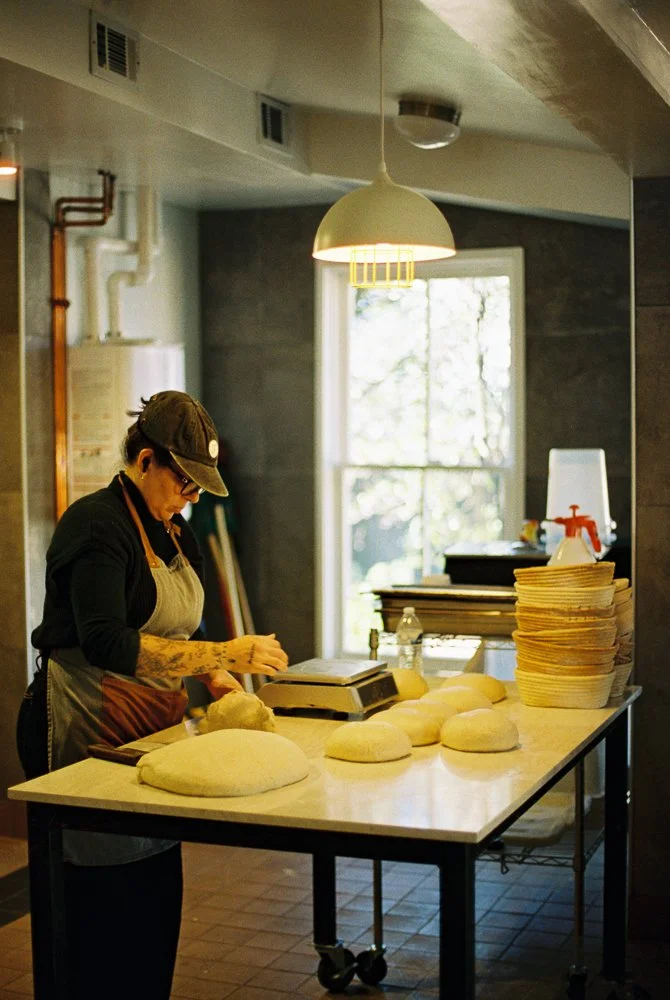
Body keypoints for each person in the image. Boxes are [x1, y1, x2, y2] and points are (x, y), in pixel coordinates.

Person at [16, 390, 289, 1000]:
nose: (191, 498)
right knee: (99, 914)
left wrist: (221, 685)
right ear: (144, 462)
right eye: (184, 483)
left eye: (199, 488)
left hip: (149, 736)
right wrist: (223, 655)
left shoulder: (170, 529)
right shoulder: (95, 525)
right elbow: (108, 641)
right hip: (85, 727)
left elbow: (180, 631)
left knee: (151, 901)